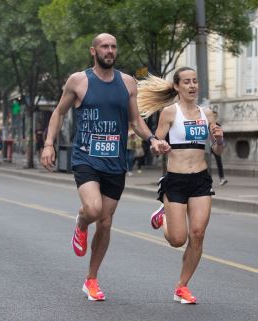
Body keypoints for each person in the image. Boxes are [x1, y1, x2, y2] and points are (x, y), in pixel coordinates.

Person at [40, 33, 170, 301]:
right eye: (104, 47)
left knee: (107, 223)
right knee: (94, 209)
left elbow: (135, 121)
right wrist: (49, 144)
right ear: (93, 51)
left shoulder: (127, 82)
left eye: (113, 47)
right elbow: (58, 113)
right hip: (86, 158)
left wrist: (153, 139)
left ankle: (91, 280)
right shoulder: (78, 81)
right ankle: (81, 220)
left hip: (115, 162)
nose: (110, 51)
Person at [137, 67, 224, 304]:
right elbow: (156, 142)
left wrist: (219, 138)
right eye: (186, 82)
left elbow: (216, 150)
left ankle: (182, 286)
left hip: (200, 180)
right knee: (177, 239)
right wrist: (160, 147)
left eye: (195, 81)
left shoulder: (207, 114)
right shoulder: (169, 112)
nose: (192, 86)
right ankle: (164, 214)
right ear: (177, 86)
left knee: (197, 234)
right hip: (175, 180)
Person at [211, 111, 227, 186]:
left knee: (219, 162)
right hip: (207, 147)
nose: (214, 118)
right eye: (213, 116)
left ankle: (222, 178)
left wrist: (221, 143)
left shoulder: (218, 125)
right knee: (206, 162)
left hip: (216, 145)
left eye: (215, 116)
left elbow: (221, 136)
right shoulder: (207, 124)